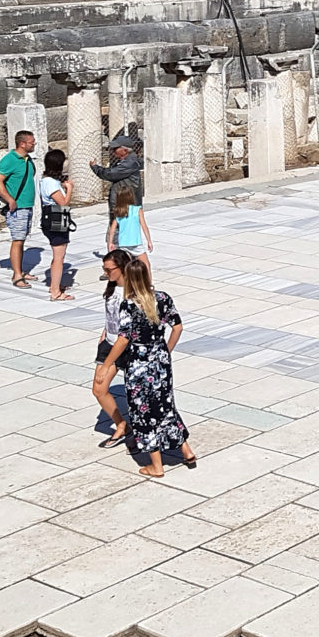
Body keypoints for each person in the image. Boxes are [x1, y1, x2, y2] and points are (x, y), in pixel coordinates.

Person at [96, 255, 195, 477]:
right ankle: (186, 450)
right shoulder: (163, 298)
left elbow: (123, 339)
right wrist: (166, 351)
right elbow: (177, 327)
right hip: (161, 361)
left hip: (139, 364)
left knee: (143, 412)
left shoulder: (129, 305)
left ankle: (156, 465)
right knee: (165, 406)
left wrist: (106, 364)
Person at [93, 249, 132, 448]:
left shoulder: (132, 293)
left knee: (137, 394)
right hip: (108, 343)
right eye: (104, 269)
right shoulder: (111, 288)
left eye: (109, 270)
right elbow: (110, 317)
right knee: (98, 389)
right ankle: (121, 425)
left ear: (122, 268)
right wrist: (103, 337)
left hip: (126, 346)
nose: (106, 273)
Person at [0, 130, 38, 289]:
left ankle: (21, 270)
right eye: (31, 142)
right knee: (17, 240)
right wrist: (10, 199)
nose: (34, 144)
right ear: (22, 144)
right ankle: (17, 275)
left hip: (26, 205)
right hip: (17, 208)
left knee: (22, 239)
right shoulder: (9, 160)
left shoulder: (27, 159)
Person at [40, 149, 75, 301]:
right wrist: (70, 190)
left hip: (52, 218)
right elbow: (63, 203)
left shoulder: (47, 180)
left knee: (58, 255)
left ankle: (55, 283)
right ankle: (55, 291)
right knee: (59, 257)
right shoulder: (50, 183)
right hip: (56, 219)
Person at [108, 186, 152, 270]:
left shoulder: (118, 211)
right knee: (146, 264)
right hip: (135, 243)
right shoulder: (137, 210)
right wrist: (149, 241)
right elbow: (144, 226)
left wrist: (111, 242)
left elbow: (112, 229)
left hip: (123, 243)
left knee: (126, 266)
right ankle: (147, 278)